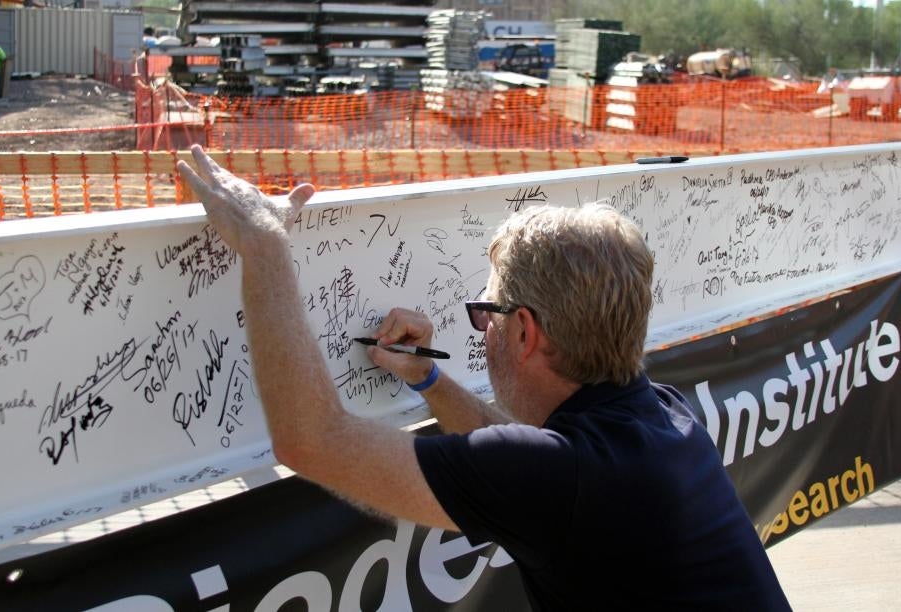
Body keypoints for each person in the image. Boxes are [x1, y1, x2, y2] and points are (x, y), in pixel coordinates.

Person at [177, 145, 791, 611]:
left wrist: (263, 244)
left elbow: (309, 438)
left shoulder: (561, 478)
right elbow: (528, 456)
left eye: (485, 313)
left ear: (525, 332)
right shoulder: (662, 414)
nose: (479, 330)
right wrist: (428, 380)